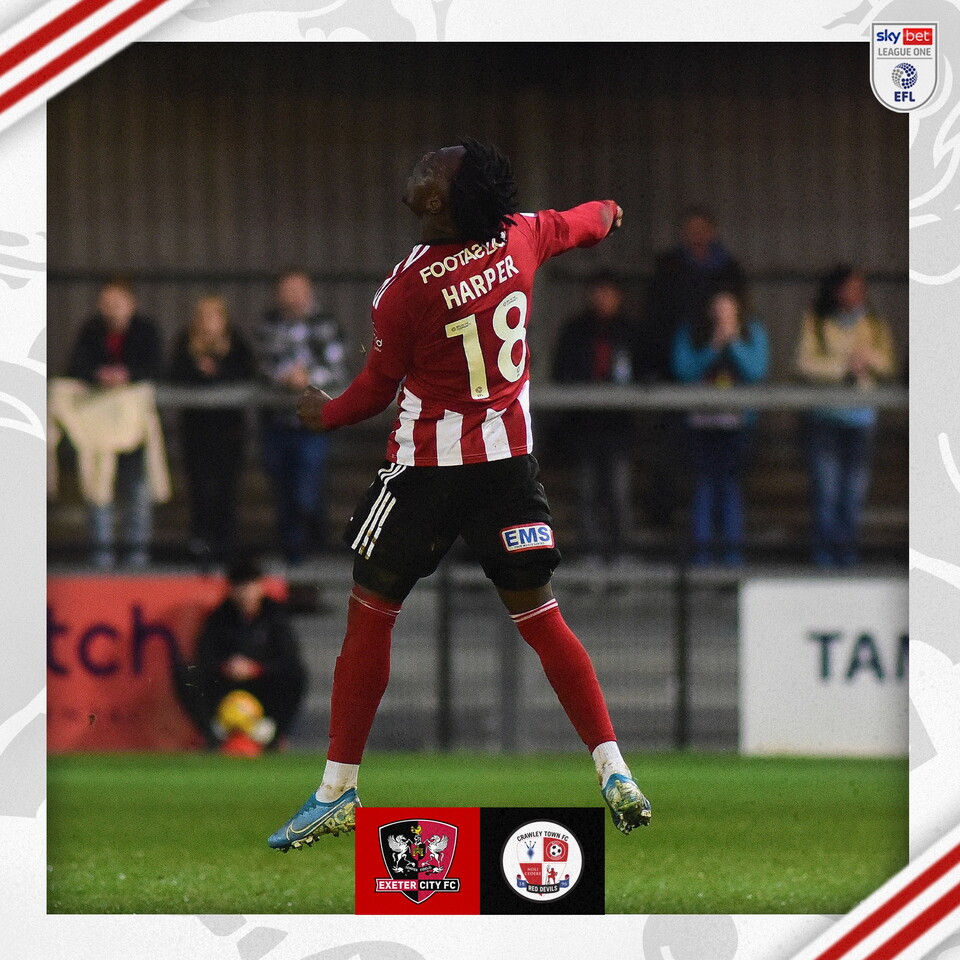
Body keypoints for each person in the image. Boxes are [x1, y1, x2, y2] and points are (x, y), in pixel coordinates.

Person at [267, 138, 651, 852]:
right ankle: (614, 769)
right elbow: (581, 221)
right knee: (540, 617)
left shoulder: (406, 291)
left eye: (429, 168)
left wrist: (320, 413)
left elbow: (373, 394)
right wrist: (611, 211)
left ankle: (337, 790)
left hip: (426, 471)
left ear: (441, 202)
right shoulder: (520, 236)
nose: (416, 169)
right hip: (508, 468)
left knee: (370, 613)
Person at [795, 265, 896, 567]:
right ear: (836, 290)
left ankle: (847, 555)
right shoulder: (816, 320)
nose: (856, 294)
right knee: (826, 490)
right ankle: (825, 557)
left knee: (853, 492)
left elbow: (889, 363)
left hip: (861, 418)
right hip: (825, 416)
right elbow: (805, 363)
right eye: (849, 287)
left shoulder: (874, 323)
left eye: (860, 288)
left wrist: (869, 359)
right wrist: (843, 366)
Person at [66, 279, 164, 568]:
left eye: (117, 304)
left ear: (130, 304)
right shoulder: (91, 330)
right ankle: (101, 558)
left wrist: (127, 375)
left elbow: (156, 366)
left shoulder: (146, 331)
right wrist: (99, 375)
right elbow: (75, 367)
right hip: (98, 428)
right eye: (106, 304)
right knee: (99, 488)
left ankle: (137, 558)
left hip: (133, 427)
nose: (111, 310)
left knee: (136, 490)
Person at [256, 269, 348, 564]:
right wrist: (284, 377)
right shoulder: (268, 325)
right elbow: (260, 363)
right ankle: (292, 563)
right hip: (276, 424)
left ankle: (311, 561)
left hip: (312, 424)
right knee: (282, 494)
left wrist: (307, 378)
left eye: (299, 290)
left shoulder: (327, 325)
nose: (293, 296)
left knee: (306, 495)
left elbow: (338, 368)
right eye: (288, 290)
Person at [672, 289, 769, 565]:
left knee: (730, 489)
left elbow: (756, 371)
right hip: (700, 423)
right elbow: (683, 370)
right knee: (703, 489)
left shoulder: (752, 331)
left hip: (738, 424)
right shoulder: (692, 331)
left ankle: (732, 560)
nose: (722, 313)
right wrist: (714, 345)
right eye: (718, 306)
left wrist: (734, 342)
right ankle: (702, 560)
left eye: (728, 307)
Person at [551, 271, 642, 560]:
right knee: (586, 494)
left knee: (619, 494)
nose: (603, 299)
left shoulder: (630, 331)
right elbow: (560, 373)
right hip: (585, 427)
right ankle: (588, 553)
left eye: (609, 293)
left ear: (619, 297)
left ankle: (621, 553)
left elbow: (645, 370)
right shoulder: (576, 330)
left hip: (618, 428)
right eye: (598, 292)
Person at [174, 558, 307, 752]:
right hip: (225, 685)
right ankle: (212, 735)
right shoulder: (219, 617)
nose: (245, 593)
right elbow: (204, 654)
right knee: (187, 674)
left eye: (250, 586)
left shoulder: (275, 616)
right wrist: (225, 666)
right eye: (240, 587)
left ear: (260, 587)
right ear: (231, 589)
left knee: (296, 675)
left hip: (263, 685)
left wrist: (257, 668)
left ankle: (274, 738)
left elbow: (288, 656)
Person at [168, 295, 257, 563]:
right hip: (195, 433)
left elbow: (248, 374)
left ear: (224, 320)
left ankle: (226, 546)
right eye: (203, 317)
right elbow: (174, 373)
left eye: (214, 317)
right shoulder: (185, 343)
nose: (209, 323)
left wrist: (217, 369)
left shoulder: (237, 343)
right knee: (199, 490)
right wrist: (198, 370)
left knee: (226, 490)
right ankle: (200, 547)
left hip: (229, 433)